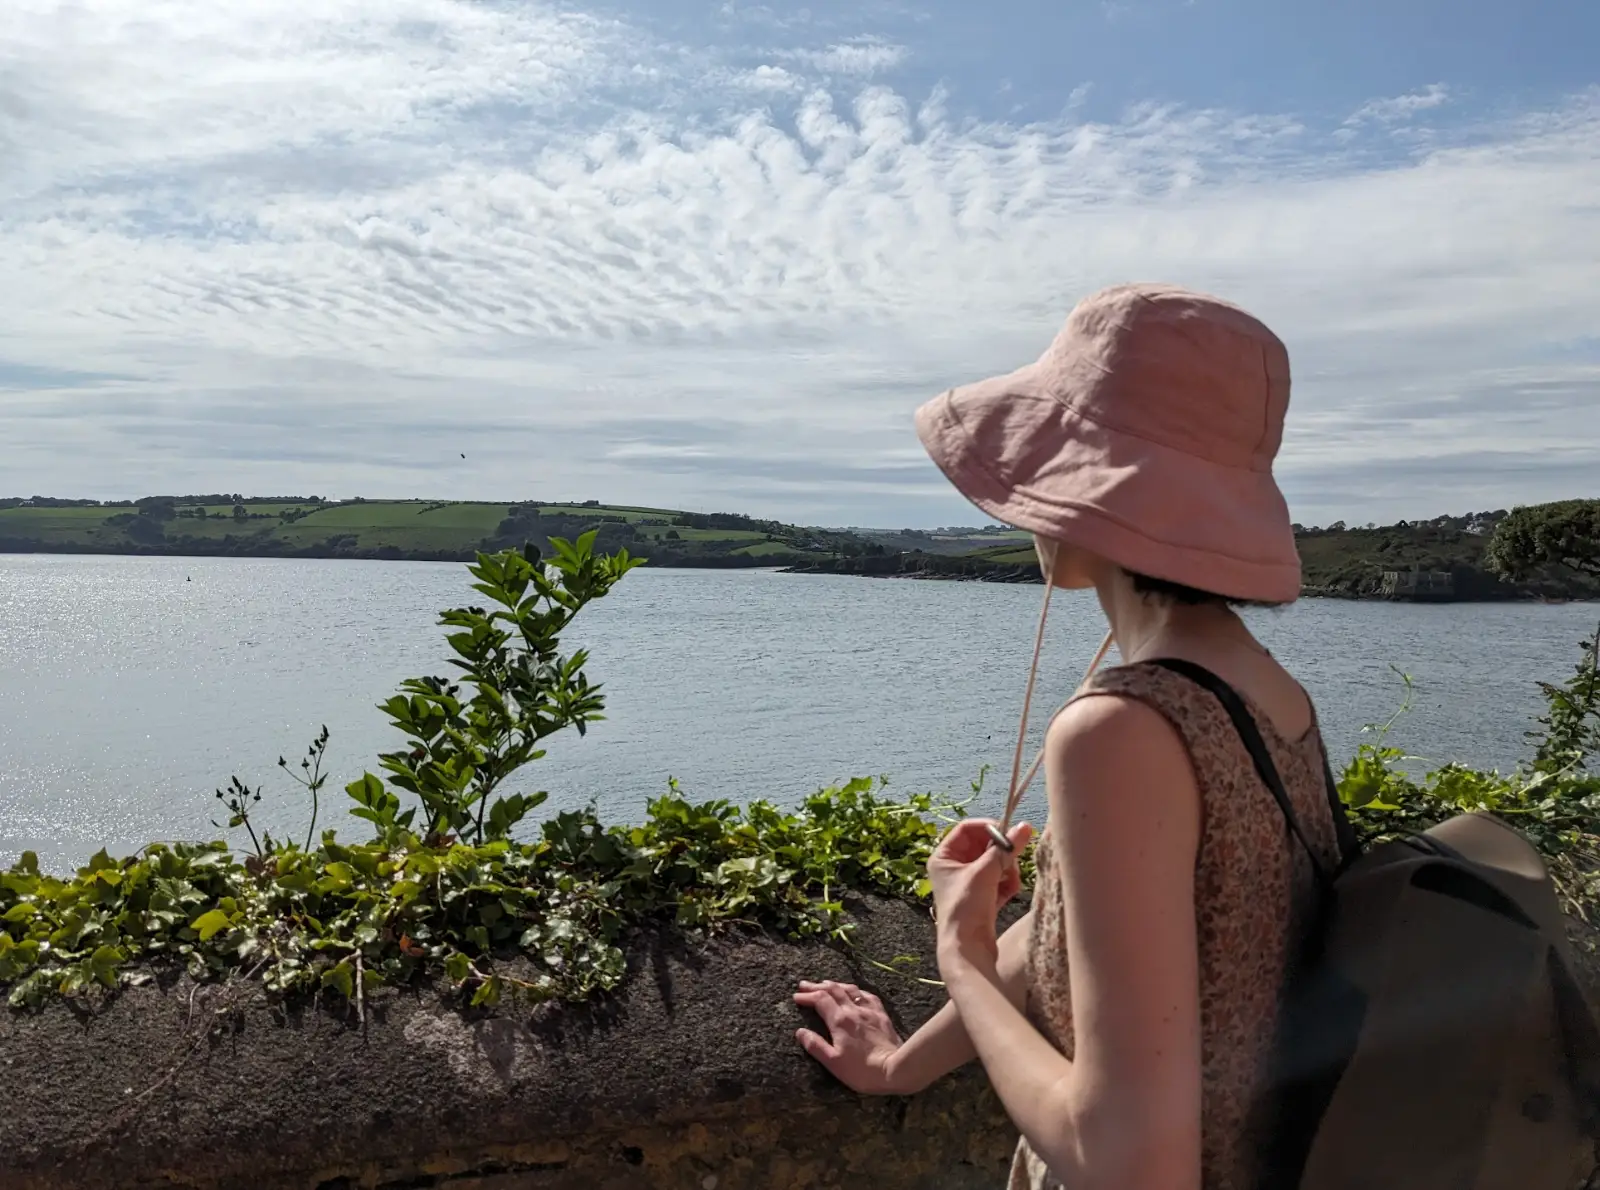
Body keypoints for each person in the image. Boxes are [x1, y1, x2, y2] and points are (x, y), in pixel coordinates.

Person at [794, 283, 1343, 1190]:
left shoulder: (1121, 730)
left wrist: (958, 955)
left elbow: (1132, 1166)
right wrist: (899, 1066)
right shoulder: (1269, 694)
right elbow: (1094, 944)